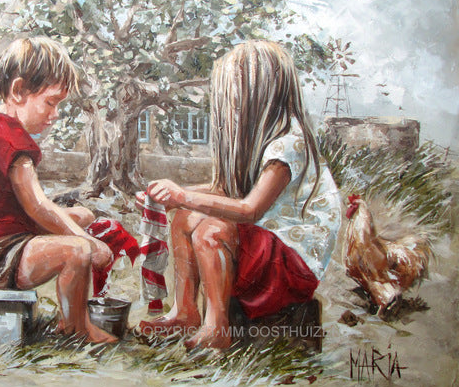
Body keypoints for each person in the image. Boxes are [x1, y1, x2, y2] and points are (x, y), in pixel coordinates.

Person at [137, 40, 341, 348]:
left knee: (212, 230)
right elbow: (226, 192)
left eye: (235, 93)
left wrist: (181, 196)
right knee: (184, 218)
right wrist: (171, 196)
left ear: (261, 93)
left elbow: (249, 210)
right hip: (269, 245)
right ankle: (185, 312)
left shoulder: (288, 144)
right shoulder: (266, 137)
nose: (229, 103)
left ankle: (217, 327)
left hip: (294, 264)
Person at [0, 37, 116, 343]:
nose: (56, 114)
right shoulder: (9, 141)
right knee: (77, 250)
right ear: (18, 91)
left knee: (82, 215)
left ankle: (75, 318)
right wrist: (90, 243)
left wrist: (77, 224)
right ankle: (76, 328)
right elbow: (38, 207)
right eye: (51, 102)